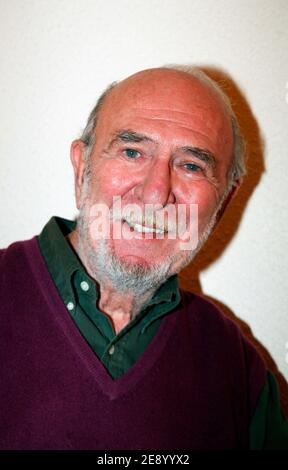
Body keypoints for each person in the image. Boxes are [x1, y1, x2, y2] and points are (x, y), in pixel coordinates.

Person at [0, 66, 287, 450]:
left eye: (191, 166)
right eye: (132, 152)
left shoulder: (234, 366)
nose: (155, 194)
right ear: (82, 167)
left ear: (223, 203)